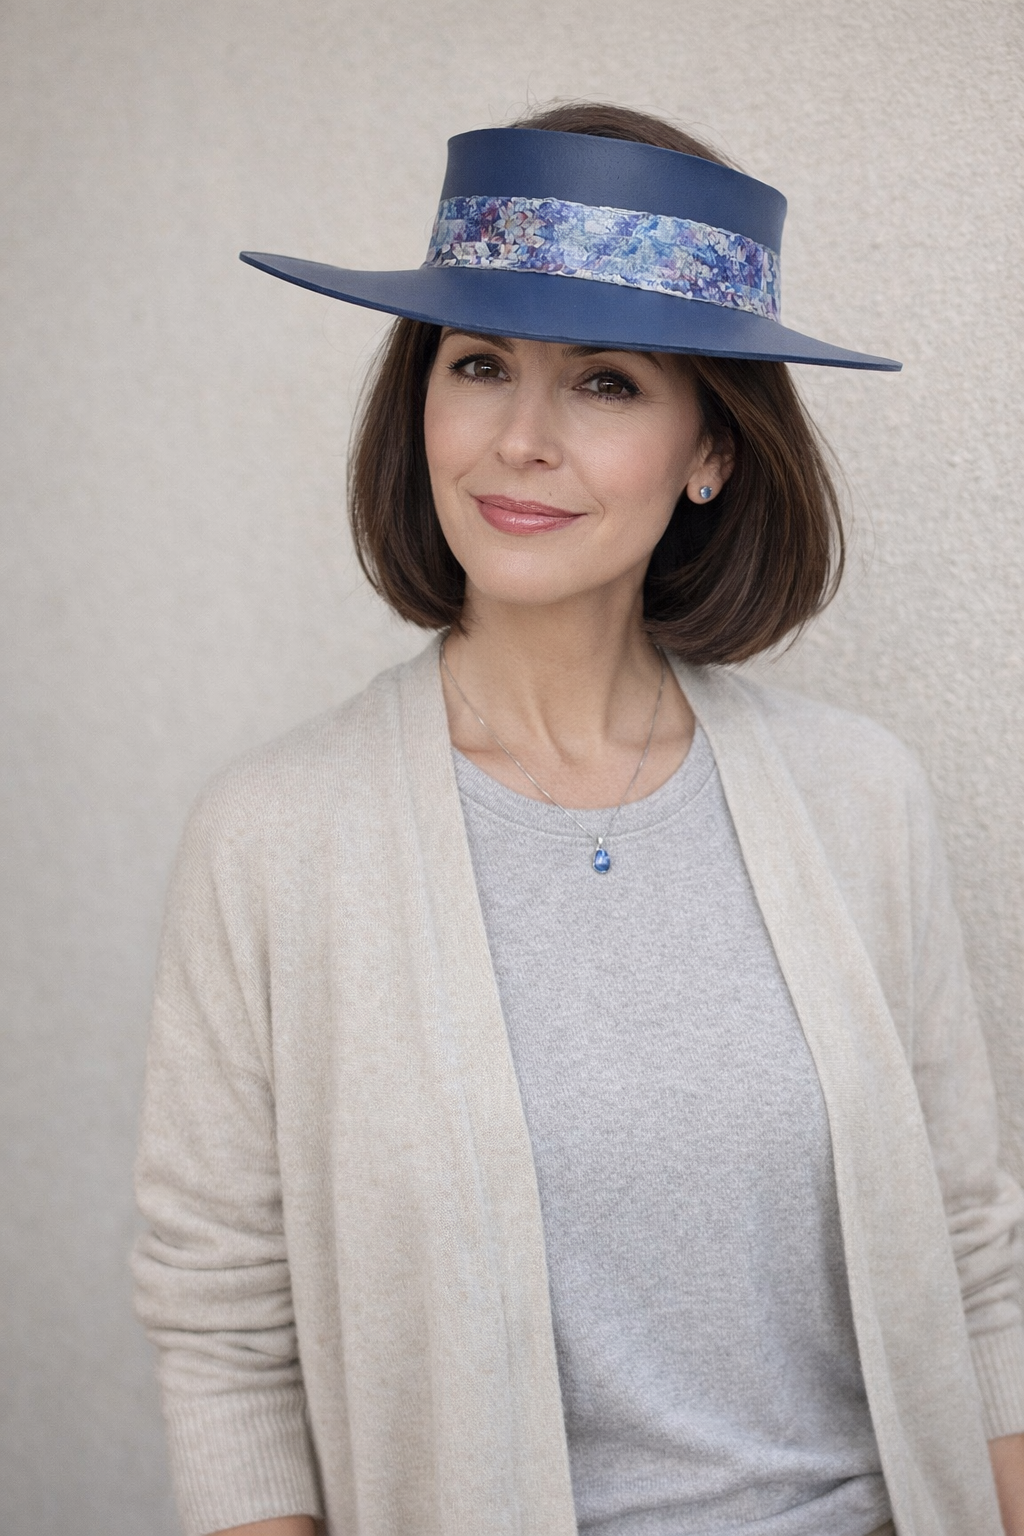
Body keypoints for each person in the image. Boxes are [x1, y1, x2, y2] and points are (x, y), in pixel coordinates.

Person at [133, 103, 1024, 1536]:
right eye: (478, 365)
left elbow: (975, 1268)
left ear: (711, 451)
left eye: (604, 382)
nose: (521, 439)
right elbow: (227, 1339)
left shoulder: (862, 800)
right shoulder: (274, 842)